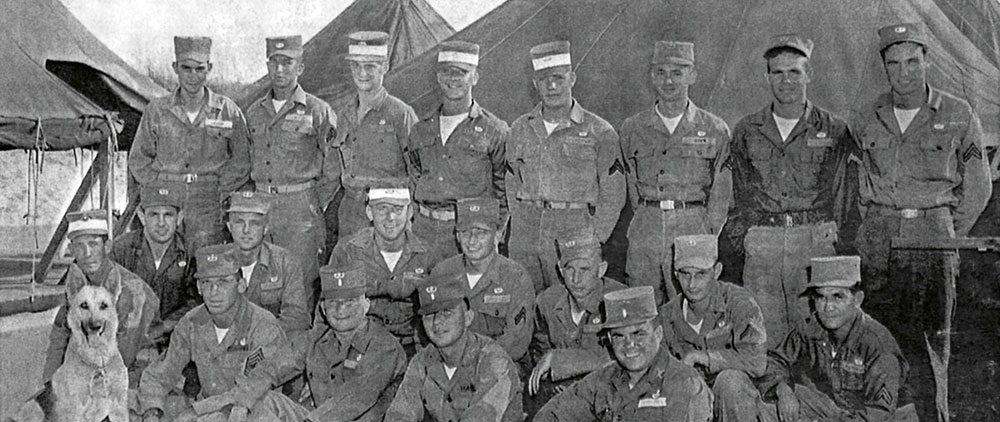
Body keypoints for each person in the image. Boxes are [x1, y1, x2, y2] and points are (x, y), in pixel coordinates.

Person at [851, 23, 991, 342]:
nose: (905, 73)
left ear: (927, 60)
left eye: (913, 61)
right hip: (878, 239)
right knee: (876, 334)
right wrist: (874, 224)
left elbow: (978, 188)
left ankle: (937, 394)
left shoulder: (959, 113)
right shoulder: (864, 117)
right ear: (884, 67)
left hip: (934, 237)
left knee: (934, 336)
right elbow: (857, 182)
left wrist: (945, 229)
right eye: (894, 63)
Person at [726, 34, 855, 348]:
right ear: (767, 76)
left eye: (794, 71)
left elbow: (845, 192)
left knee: (817, 335)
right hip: (763, 246)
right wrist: (745, 237)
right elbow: (736, 193)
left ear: (809, 74)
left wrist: (833, 237)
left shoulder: (834, 129)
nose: (786, 80)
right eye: (778, 72)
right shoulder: (746, 131)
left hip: (814, 243)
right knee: (763, 336)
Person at [506, 40, 626, 293]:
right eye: (544, 79)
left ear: (572, 79)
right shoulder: (519, 128)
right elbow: (510, 180)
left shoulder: (599, 131)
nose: (551, 86)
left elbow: (614, 193)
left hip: (574, 231)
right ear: (534, 84)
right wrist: (519, 222)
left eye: (558, 78)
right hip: (526, 234)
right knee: (524, 300)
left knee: (570, 304)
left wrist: (595, 238)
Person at [621, 40, 732, 306]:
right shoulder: (632, 128)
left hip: (692, 223)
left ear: (692, 75)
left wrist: (706, 233)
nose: (668, 81)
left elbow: (722, 192)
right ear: (651, 76)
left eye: (677, 73)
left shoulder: (715, 129)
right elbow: (629, 181)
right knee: (642, 301)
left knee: (690, 303)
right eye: (661, 72)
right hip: (647, 225)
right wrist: (647, 215)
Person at [136, 243, 288, 422]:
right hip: (206, 412)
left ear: (241, 285)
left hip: (250, 411)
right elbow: (161, 373)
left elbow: (251, 387)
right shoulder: (191, 322)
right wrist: (152, 412)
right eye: (206, 283)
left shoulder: (263, 326)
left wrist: (196, 411)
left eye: (223, 282)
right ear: (199, 288)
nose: (213, 292)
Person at [129, 36, 251, 253]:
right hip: (167, 200)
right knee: (165, 264)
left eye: (199, 69)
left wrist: (218, 188)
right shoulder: (157, 111)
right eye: (186, 68)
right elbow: (139, 159)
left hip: (208, 203)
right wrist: (159, 188)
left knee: (205, 264)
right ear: (175, 68)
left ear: (209, 68)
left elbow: (242, 160)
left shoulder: (227, 110)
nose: (193, 76)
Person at [759, 256, 916, 422]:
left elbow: (878, 414)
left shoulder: (877, 345)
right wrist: (783, 389)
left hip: (881, 418)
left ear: (857, 300)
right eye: (821, 297)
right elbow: (774, 360)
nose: (828, 307)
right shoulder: (812, 327)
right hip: (838, 411)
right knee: (769, 406)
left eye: (838, 297)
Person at [250, 263, 407, 422]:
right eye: (333, 302)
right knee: (262, 401)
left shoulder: (384, 346)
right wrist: (241, 399)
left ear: (366, 305)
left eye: (350, 301)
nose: (340, 309)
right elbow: (274, 366)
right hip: (317, 419)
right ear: (324, 309)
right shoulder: (316, 338)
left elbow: (356, 397)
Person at [243, 35, 339, 292]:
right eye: (274, 62)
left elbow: (334, 166)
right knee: (260, 281)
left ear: (300, 68)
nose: (280, 69)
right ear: (267, 66)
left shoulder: (317, 111)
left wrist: (313, 201)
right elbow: (245, 160)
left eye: (288, 63)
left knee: (300, 282)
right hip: (261, 206)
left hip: (300, 210)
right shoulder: (254, 112)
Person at [534, 286, 712, 421]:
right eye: (619, 336)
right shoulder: (603, 380)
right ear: (610, 341)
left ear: (658, 334)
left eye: (638, 333)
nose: (629, 344)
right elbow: (550, 416)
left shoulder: (685, 384)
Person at [406, 41, 510, 256]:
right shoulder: (420, 130)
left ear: (475, 77)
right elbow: (413, 179)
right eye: (446, 72)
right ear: (437, 77)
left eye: (461, 72)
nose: (453, 79)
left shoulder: (495, 130)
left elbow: (504, 189)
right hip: (423, 231)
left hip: (470, 235)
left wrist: (496, 233)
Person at [384, 272, 524, 422]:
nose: (437, 322)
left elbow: (481, 417)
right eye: (429, 315)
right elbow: (399, 415)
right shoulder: (422, 361)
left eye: (447, 312)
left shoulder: (493, 360)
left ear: (468, 318)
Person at [43, 210, 160, 387]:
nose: (87, 253)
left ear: (107, 247)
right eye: (79, 246)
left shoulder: (130, 291)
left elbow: (122, 356)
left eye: (93, 244)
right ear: (72, 250)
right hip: (93, 372)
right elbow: (60, 336)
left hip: (138, 374)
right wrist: (50, 385)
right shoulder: (80, 286)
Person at [659, 235, 768, 421]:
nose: (692, 284)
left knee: (730, 382)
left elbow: (757, 362)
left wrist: (702, 357)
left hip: (739, 404)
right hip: (693, 405)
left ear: (717, 271)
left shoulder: (739, 303)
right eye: (685, 274)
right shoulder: (668, 314)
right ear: (675, 275)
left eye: (701, 274)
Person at [328, 187, 446, 351]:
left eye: (398, 209)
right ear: (369, 212)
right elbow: (329, 308)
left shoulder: (427, 255)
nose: (390, 218)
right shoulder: (348, 251)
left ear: (410, 211)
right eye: (382, 209)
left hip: (412, 347)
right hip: (363, 347)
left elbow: (442, 314)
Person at [328, 31, 418, 241]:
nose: (362, 73)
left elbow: (418, 172)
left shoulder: (400, 114)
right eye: (356, 66)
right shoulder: (345, 113)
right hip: (351, 214)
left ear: (384, 67)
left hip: (388, 216)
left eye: (370, 66)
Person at [527, 229, 625, 413]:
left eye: (585, 270)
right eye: (569, 269)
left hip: (609, 397)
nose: (576, 279)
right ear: (560, 269)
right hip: (560, 397)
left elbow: (627, 356)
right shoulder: (547, 302)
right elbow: (538, 353)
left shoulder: (619, 301)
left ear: (601, 269)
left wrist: (560, 360)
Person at [431, 197, 534, 362]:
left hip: (499, 366)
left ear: (497, 235)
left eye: (481, 232)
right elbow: (431, 329)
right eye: (465, 232)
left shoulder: (516, 277)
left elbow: (516, 342)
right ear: (457, 235)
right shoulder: (442, 273)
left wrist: (473, 362)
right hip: (450, 366)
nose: (472, 240)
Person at [112, 184, 196, 339]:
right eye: (154, 214)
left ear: (180, 217)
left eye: (168, 215)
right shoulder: (121, 248)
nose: (161, 223)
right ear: (142, 217)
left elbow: (197, 302)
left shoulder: (190, 252)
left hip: (175, 338)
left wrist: (165, 326)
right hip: (127, 337)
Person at [225, 191, 310, 336]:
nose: (246, 230)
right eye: (239, 222)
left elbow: (297, 317)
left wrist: (257, 334)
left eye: (255, 223)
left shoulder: (285, 262)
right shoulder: (216, 262)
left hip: (268, 344)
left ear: (265, 228)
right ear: (229, 226)